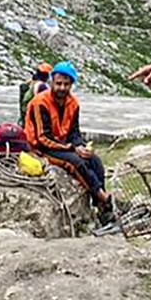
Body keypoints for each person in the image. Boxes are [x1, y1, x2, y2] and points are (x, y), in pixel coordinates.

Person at [24, 61, 117, 225]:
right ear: (52, 81)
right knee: (76, 163)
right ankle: (103, 199)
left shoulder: (73, 103)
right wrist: (72, 148)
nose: (61, 88)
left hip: (62, 144)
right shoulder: (40, 103)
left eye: (66, 84)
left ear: (71, 85)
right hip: (41, 147)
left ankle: (100, 207)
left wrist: (80, 145)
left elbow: (74, 131)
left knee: (95, 161)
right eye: (58, 83)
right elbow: (42, 138)